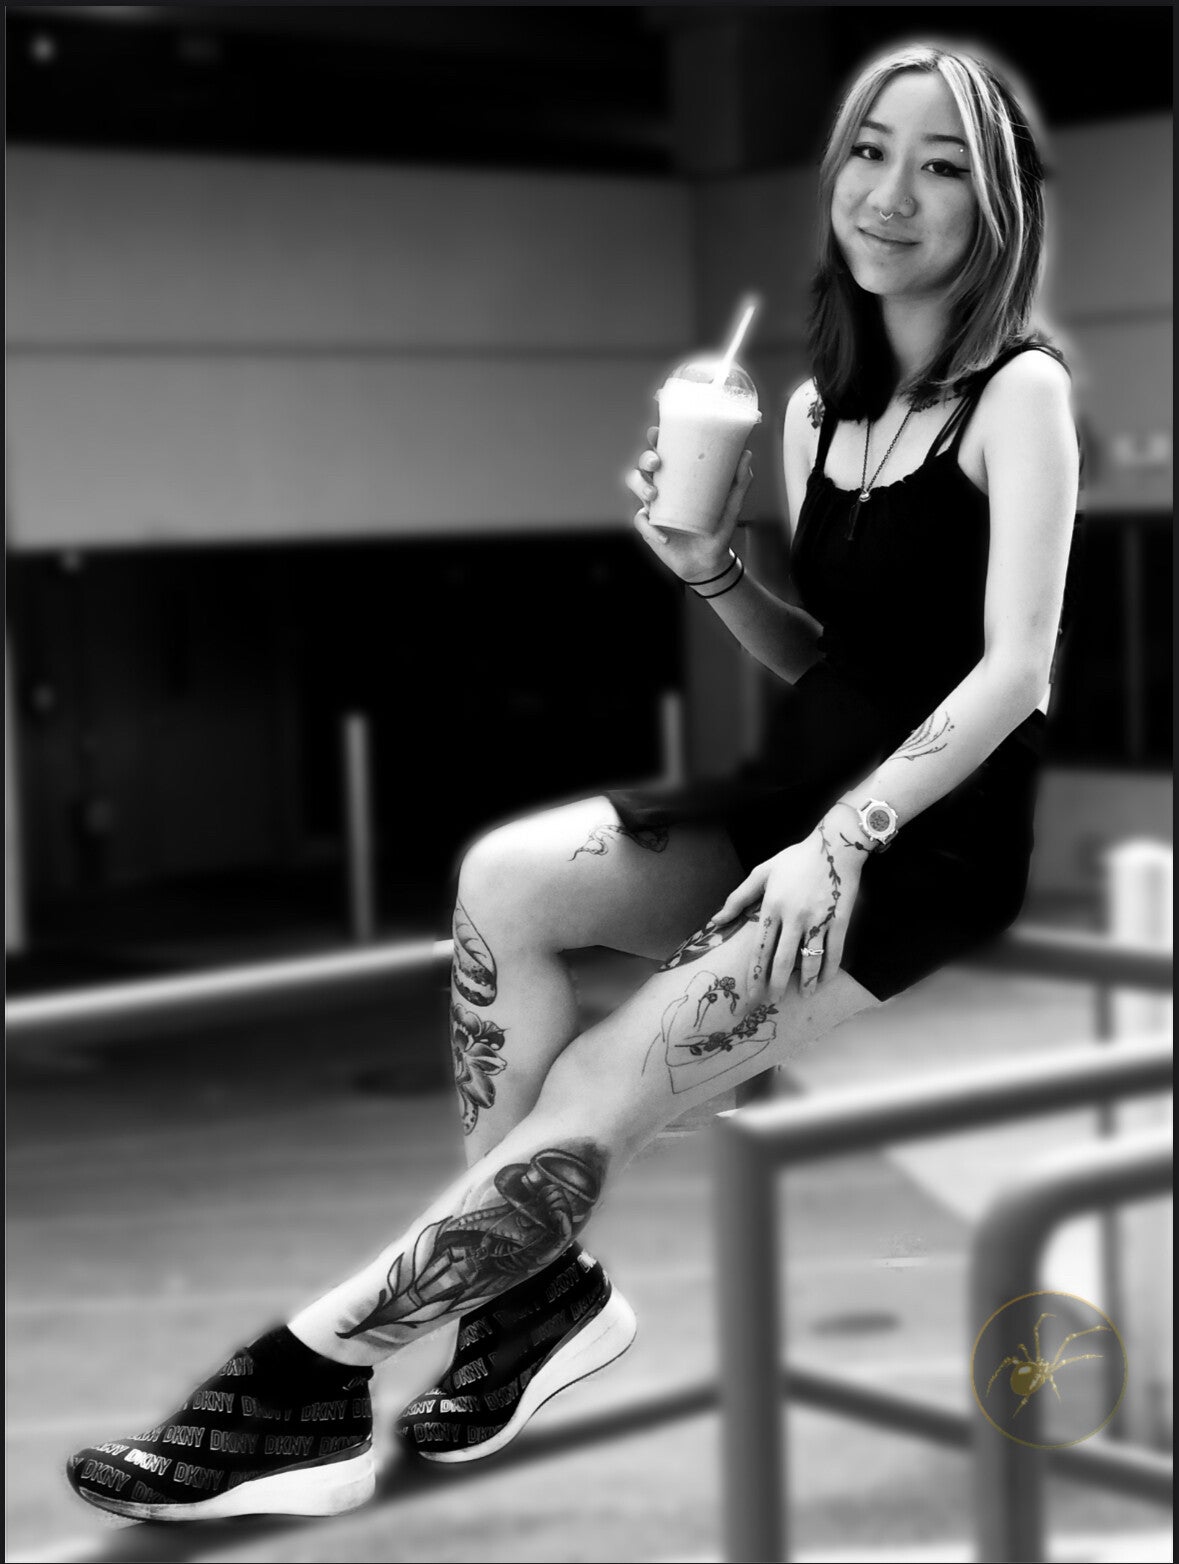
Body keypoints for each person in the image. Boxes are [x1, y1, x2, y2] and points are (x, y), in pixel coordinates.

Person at [67, 40, 1082, 1522]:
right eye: (871, 150)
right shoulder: (818, 412)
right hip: (793, 804)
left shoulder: (1020, 395)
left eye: (941, 166)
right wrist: (714, 569)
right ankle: (537, 1303)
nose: (891, 192)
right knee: (507, 879)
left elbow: (1014, 671)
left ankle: (312, 1382)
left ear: (994, 206)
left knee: (605, 1084)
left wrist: (848, 839)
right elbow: (841, 666)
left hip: (921, 846)